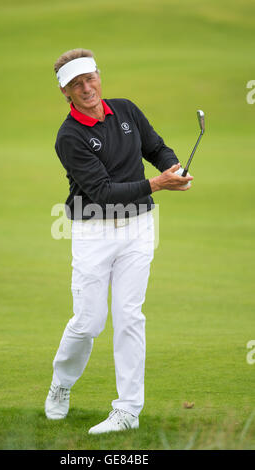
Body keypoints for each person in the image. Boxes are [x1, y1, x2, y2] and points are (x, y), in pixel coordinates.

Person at [45, 48, 193, 434]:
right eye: (76, 84)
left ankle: (127, 409)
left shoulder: (125, 110)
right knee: (89, 322)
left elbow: (156, 148)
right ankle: (61, 383)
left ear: (98, 76)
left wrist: (172, 167)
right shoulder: (69, 136)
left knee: (130, 316)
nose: (86, 87)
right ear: (65, 91)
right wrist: (160, 183)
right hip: (93, 230)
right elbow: (104, 192)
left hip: (139, 227)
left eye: (90, 78)